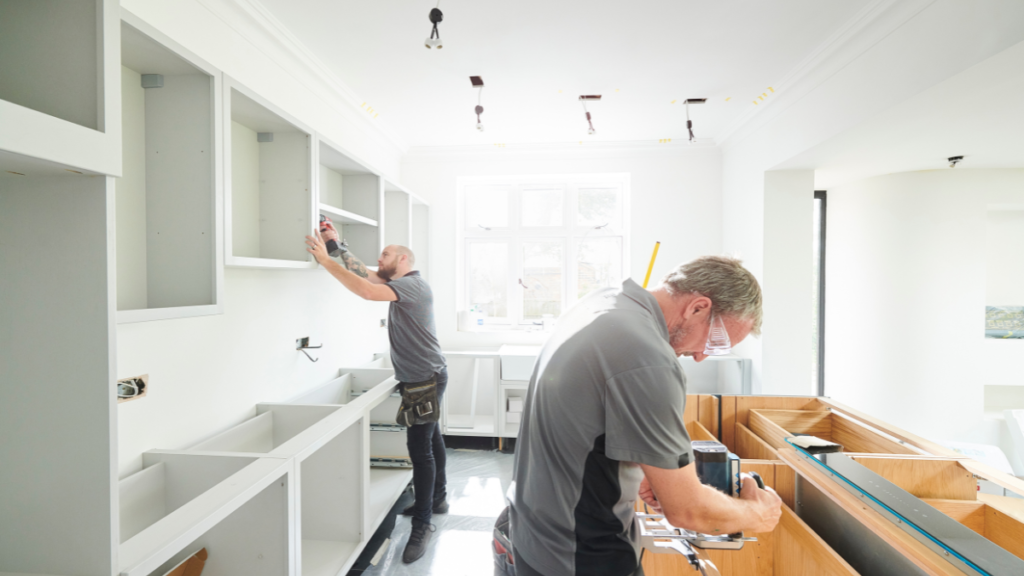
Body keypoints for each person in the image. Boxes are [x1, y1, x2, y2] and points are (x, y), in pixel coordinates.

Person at [509, 256, 783, 576]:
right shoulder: (648, 358)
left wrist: (652, 469)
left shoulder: (604, 303)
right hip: (580, 555)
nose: (701, 356)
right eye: (716, 341)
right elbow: (688, 511)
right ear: (698, 307)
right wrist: (757, 513)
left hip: (535, 534)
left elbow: (587, 413)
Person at [306, 231, 448, 564]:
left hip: (424, 380)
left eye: (385, 255)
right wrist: (337, 246)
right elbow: (366, 274)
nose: (379, 260)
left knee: (420, 449)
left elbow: (368, 291)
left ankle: (423, 524)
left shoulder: (414, 285)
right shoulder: (401, 283)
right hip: (423, 376)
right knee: (433, 437)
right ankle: (438, 499)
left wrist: (325, 261)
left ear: (403, 259)